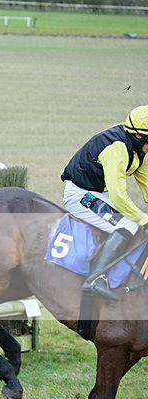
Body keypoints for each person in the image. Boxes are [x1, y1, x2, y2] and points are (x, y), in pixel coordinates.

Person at [61, 105, 148, 300]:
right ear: (139, 137)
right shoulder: (116, 148)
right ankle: (95, 277)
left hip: (99, 193)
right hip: (81, 195)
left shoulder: (141, 151)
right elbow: (118, 195)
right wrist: (143, 220)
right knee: (128, 224)